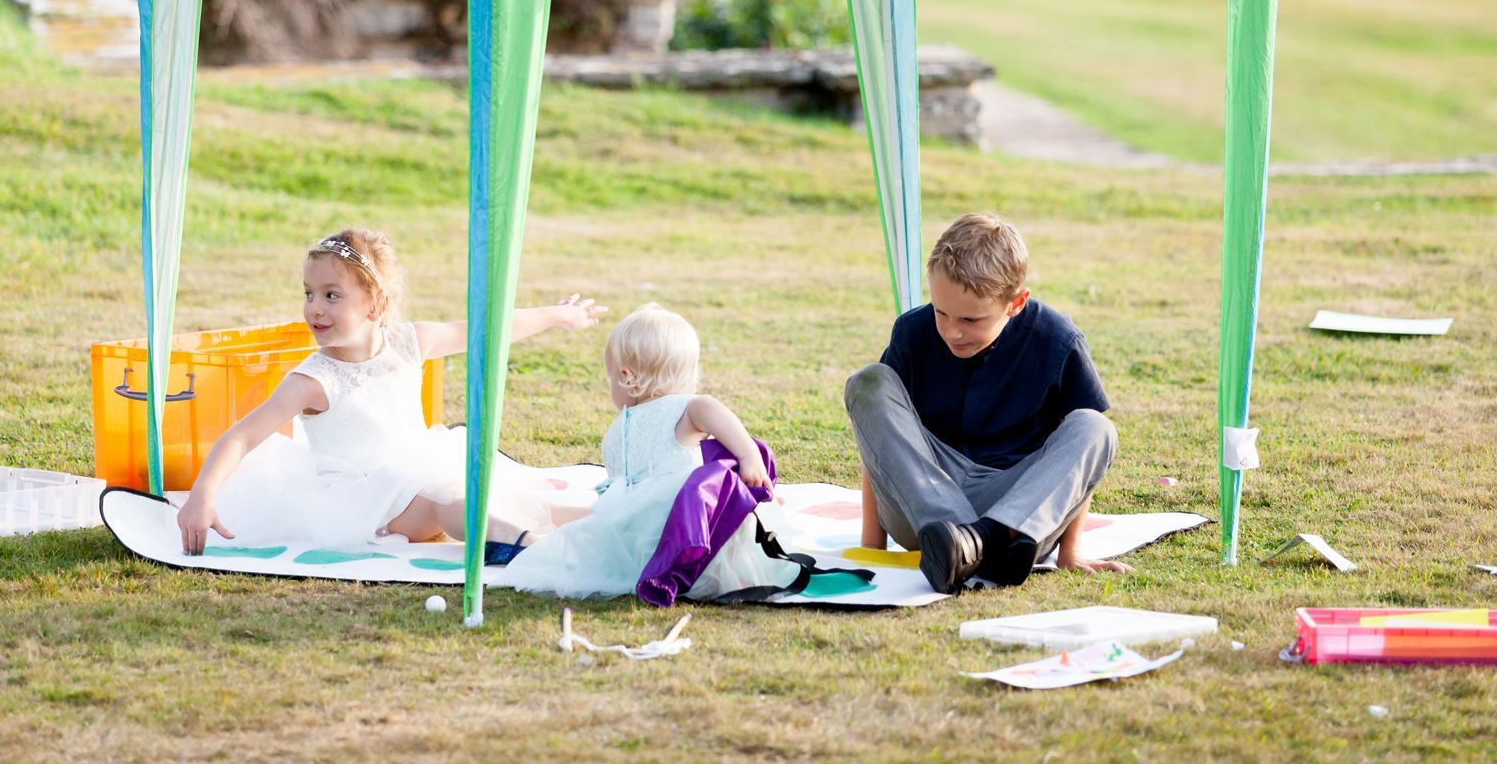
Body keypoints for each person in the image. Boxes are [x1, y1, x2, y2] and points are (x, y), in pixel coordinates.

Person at [175, 227, 603, 556]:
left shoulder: (408, 342)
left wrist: (558, 315)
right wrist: (203, 496)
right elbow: (242, 436)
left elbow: (486, 331)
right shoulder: (314, 380)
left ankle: (614, 524)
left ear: (376, 305)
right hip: (367, 501)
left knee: (501, 491)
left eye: (331, 295)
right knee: (445, 500)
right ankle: (528, 545)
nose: (314, 308)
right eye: (309, 294)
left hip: (420, 468)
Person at [845, 214, 1124, 595]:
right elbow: (881, 444)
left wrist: (1070, 552)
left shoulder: (1058, 339)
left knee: (1095, 427)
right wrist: (871, 546)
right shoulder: (912, 332)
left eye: (970, 319)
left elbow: (1079, 462)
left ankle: (979, 540)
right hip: (922, 511)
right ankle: (963, 544)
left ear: (1016, 302)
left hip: (1015, 512)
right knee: (868, 383)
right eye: (940, 312)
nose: (951, 331)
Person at [501, 304, 805, 602]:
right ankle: (537, 514)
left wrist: (749, 455)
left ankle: (535, 517)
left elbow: (713, 409)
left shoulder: (683, 409)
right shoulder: (623, 426)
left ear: (625, 376)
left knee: (593, 536)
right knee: (595, 529)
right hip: (655, 526)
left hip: (678, 524)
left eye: (609, 378)